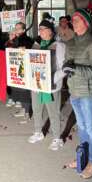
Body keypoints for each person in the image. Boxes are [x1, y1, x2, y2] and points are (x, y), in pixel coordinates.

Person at [63, 7, 92, 179]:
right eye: (72, 19)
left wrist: (75, 68)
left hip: (88, 92)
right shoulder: (70, 43)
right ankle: (83, 157)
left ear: (86, 23)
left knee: (91, 129)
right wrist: (66, 68)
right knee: (81, 127)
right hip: (74, 90)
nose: (72, 22)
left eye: (77, 19)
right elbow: (69, 63)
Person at [27, 19, 66, 151]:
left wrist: (52, 79)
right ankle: (38, 132)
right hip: (36, 85)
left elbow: (63, 67)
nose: (41, 31)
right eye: (40, 29)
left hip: (51, 86)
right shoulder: (36, 45)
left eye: (43, 28)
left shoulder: (59, 46)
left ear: (50, 31)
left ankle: (57, 138)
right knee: (37, 109)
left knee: (53, 112)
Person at [5, 22, 34, 118]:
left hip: (24, 68)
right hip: (17, 68)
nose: (16, 30)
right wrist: (10, 40)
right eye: (15, 28)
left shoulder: (26, 39)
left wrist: (24, 48)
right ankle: (24, 109)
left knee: (24, 91)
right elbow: (7, 50)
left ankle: (26, 111)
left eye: (18, 28)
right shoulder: (15, 39)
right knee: (20, 90)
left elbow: (29, 50)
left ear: (23, 30)